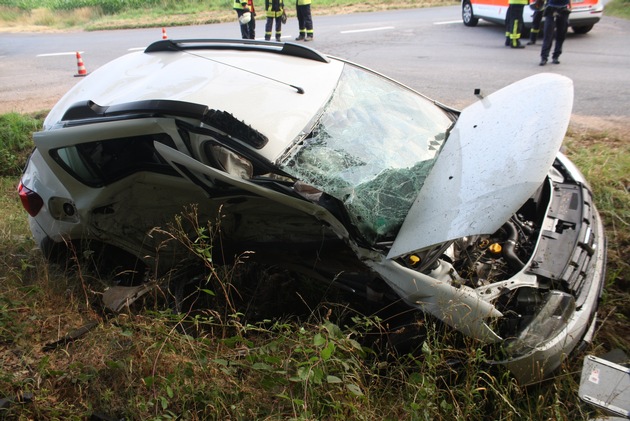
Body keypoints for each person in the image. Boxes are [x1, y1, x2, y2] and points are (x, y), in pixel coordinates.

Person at [539, 0, 571, 65]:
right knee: (548, 34)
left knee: (561, 34)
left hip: (564, 8)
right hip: (551, 8)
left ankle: (556, 56)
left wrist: (570, 6)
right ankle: (544, 57)